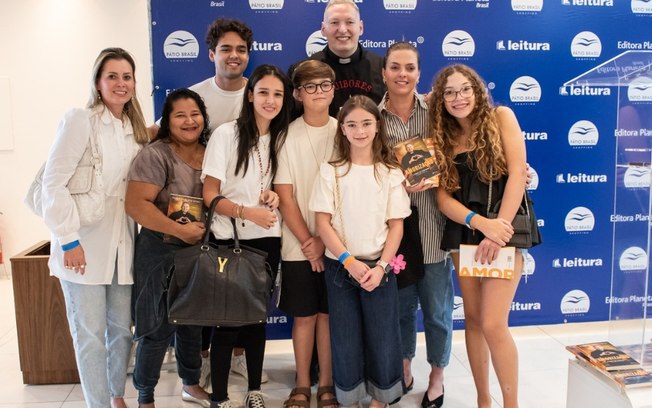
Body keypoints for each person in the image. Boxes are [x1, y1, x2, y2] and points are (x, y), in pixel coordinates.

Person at [40, 47, 148, 408]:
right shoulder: (79, 120)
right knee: (90, 336)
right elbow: (52, 184)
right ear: (98, 82)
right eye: (112, 76)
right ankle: (98, 404)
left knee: (120, 332)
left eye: (127, 76)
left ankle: (116, 396)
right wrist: (69, 241)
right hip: (82, 246)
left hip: (121, 249)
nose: (120, 83)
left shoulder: (133, 129)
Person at [430, 64, 529, 408]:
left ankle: (511, 404)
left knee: (492, 323)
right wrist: (479, 223)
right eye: (450, 92)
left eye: (464, 89)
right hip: (466, 232)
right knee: (472, 320)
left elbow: (518, 172)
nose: (458, 98)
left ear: (478, 91)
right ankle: (483, 401)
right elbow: (442, 199)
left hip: (505, 229)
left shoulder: (502, 116)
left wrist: (497, 229)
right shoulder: (441, 137)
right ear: (441, 99)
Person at [310, 95, 411, 408]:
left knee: (383, 337)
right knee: (346, 338)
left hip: (380, 268)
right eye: (351, 124)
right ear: (342, 129)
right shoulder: (331, 171)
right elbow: (322, 224)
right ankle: (351, 397)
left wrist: (381, 267)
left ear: (377, 126)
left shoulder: (391, 172)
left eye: (366, 123)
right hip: (342, 269)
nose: (360, 130)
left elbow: (396, 226)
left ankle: (381, 398)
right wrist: (348, 261)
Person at [202, 64, 292, 408]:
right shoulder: (227, 135)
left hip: (267, 240)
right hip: (229, 241)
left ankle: (255, 390)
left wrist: (273, 197)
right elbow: (210, 194)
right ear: (250, 95)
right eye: (264, 92)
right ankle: (220, 397)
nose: (270, 100)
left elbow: (273, 185)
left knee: (256, 320)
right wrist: (245, 211)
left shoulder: (281, 136)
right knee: (226, 324)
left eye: (278, 94)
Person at [126, 89, 212, 408]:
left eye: (195, 114)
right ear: (167, 120)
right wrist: (179, 230)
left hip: (196, 251)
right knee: (156, 326)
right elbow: (136, 205)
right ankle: (146, 395)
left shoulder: (211, 152)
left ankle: (191, 383)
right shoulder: (156, 154)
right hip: (159, 250)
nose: (189, 121)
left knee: (191, 322)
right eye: (180, 115)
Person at [378, 42, 451, 408]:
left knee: (437, 312)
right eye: (395, 67)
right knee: (401, 309)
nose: (402, 74)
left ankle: (437, 378)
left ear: (419, 73)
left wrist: (439, 175)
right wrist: (395, 182)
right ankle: (404, 369)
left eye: (409, 67)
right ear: (384, 73)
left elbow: (457, 159)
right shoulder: (372, 118)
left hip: (435, 230)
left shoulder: (437, 113)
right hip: (395, 236)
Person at [274, 60, 339, 408]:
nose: (319, 92)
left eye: (325, 85)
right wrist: (308, 242)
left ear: (334, 88)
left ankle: (327, 384)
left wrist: (325, 242)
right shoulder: (286, 136)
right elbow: (285, 196)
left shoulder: (346, 129)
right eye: (310, 87)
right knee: (305, 316)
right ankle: (302, 383)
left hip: (338, 245)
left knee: (329, 316)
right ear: (297, 94)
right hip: (297, 243)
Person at [290, 0, 385, 117]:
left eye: (349, 22)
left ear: (360, 27)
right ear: (323, 29)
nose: (342, 29)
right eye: (334, 22)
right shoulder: (302, 70)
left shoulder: (382, 67)